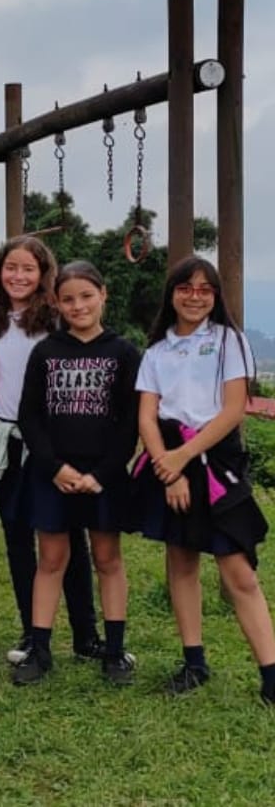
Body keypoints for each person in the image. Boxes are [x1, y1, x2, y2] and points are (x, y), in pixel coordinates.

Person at [134, 257, 275, 702]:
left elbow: (233, 408)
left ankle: (270, 674)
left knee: (239, 571)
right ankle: (194, 661)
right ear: (171, 293)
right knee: (181, 560)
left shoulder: (230, 341)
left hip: (216, 458)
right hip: (170, 459)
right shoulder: (155, 352)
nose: (195, 296)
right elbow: (147, 416)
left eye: (205, 289)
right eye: (186, 287)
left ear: (215, 297)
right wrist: (167, 466)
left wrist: (183, 456)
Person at [0, 236, 106, 665]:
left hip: (53, 443)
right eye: (11, 267)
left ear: (42, 274)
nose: (18, 276)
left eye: (28, 269)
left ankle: (86, 634)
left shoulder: (56, 318)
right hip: (3, 437)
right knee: (18, 539)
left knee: (69, 537)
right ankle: (34, 633)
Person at [13, 261, 141, 686]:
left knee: (107, 559)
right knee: (51, 560)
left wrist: (102, 473)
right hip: (53, 475)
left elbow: (131, 421)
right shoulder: (46, 352)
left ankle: (115, 651)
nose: (78, 305)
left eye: (86, 296)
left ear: (103, 294)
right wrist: (56, 468)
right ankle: (41, 649)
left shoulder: (123, 353)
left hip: (103, 476)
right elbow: (29, 416)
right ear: (56, 303)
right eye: (68, 299)